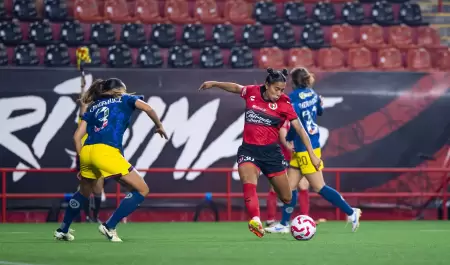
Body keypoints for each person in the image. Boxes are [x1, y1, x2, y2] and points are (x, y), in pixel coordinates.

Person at [199, 68, 322, 238]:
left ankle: (287, 219)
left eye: (282, 90)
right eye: (276, 89)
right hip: (249, 149)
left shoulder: (285, 104)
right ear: (267, 85)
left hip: (271, 154)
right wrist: (215, 84)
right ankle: (255, 220)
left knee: (286, 197)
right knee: (248, 181)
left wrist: (312, 155)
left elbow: (300, 130)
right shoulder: (252, 92)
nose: (279, 93)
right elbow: (235, 88)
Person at [54, 78, 168, 242]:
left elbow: (76, 137)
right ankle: (109, 226)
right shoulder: (126, 98)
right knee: (142, 189)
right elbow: (148, 108)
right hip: (106, 151)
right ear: (120, 89)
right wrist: (159, 125)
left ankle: (63, 229)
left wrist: (82, 161)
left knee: (83, 192)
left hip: (87, 151)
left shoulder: (93, 107)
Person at [264, 67, 361, 234]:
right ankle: (284, 224)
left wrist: (288, 139)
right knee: (290, 187)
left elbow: (296, 125)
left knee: (319, 187)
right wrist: (319, 105)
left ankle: (352, 212)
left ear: (292, 83)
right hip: (309, 144)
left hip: (305, 148)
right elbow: (320, 111)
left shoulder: (292, 99)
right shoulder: (313, 94)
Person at [265, 121, 311, 227]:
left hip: (296, 157)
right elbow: (283, 136)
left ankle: (305, 218)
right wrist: (290, 146)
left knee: (303, 185)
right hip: (279, 156)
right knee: (275, 187)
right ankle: (271, 219)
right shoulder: (283, 118)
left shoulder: (301, 117)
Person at [77, 75, 105, 223]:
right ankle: (87, 216)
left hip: (99, 151)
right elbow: (83, 105)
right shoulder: (86, 112)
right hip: (85, 151)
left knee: (98, 187)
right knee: (86, 187)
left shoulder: (101, 109)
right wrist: (82, 87)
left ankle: (95, 216)